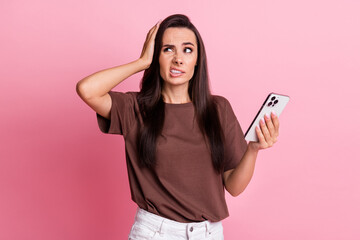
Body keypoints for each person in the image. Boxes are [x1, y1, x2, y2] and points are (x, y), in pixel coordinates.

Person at [76, 14, 279, 240]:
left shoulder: (218, 109)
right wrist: (141, 62)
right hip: (154, 232)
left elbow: (234, 187)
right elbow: (87, 89)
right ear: (156, 56)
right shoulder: (134, 108)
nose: (178, 59)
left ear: (197, 60)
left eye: (187, 50)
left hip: (208, 233)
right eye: (168, 49)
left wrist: (253, 149)